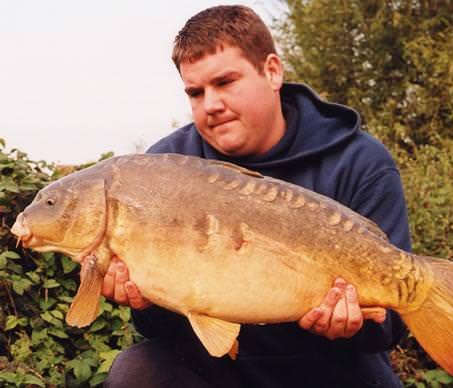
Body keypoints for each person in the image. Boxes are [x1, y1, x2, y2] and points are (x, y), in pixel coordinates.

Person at [103, 5, 411, 387]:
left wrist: (350, 326)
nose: (211, 104)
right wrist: (142, 300)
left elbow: (393, 325)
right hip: (220, 367)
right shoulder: (163, 170)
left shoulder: (359, 161)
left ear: (272, 71)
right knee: (139, 370)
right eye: (195, 93)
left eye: (225, 82)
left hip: (331, 365)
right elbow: (158, 327)